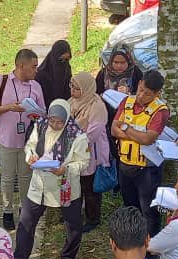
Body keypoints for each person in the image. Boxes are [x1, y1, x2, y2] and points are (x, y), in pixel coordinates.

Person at [15, 100, 90, 259]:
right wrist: (31, 156)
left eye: (59, 122)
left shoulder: (77, 135)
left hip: (65, 186)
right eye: (52, 120)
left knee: (73, 224)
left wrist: (66, 169)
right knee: (26, 220)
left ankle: (67, 257)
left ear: (66, 119)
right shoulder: (40, 125)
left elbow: (84, 162)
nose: (55, 125)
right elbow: (30, 145)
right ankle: (20, 257)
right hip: (39, 185)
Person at [0, 49, 46, 230]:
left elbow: (43, 112)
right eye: (33, 67)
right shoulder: (1, 82)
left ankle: (24, 210)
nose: (36, 70)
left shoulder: (36, 86)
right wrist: (8, 108)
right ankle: (7, 211)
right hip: (6, 138)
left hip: (28, 142)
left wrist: (35, 115)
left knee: (26, 177)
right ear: (21, 66)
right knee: (8, 177)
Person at [111, 70, 169, 238]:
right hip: (125, 164)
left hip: (147, 169)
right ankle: (133, 242)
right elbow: (114, 129)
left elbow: (148, 139)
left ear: (157, 94)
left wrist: (126, 128)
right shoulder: (127, 101)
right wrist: (136, 134)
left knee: (149, 211)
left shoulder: (160, 111)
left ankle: (151, 250)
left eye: (147, 94)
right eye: (140, 89)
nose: (141, 95)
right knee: (130, 207)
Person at [69, 72, 111, 233]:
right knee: (74, 183)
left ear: (86, 89)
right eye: (72, 87)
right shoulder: (72, 102)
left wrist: (76, 141)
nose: (73, 91)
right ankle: (74, 213)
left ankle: (93, 218)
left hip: (89, 152)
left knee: (89, 186)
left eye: (77, 88)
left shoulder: (97, 105)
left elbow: (94, 131)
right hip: (73, 151)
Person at [96, 48, 143, 167]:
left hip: (127, 118)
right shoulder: (103, 73)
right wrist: (101, 96)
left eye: (122, 63)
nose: (118, 66)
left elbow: (142, 95)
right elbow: (95, 93)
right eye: (115, 62)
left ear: (128, 61)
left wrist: (130, 94)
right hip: (107, 116)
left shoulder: (136, 73)